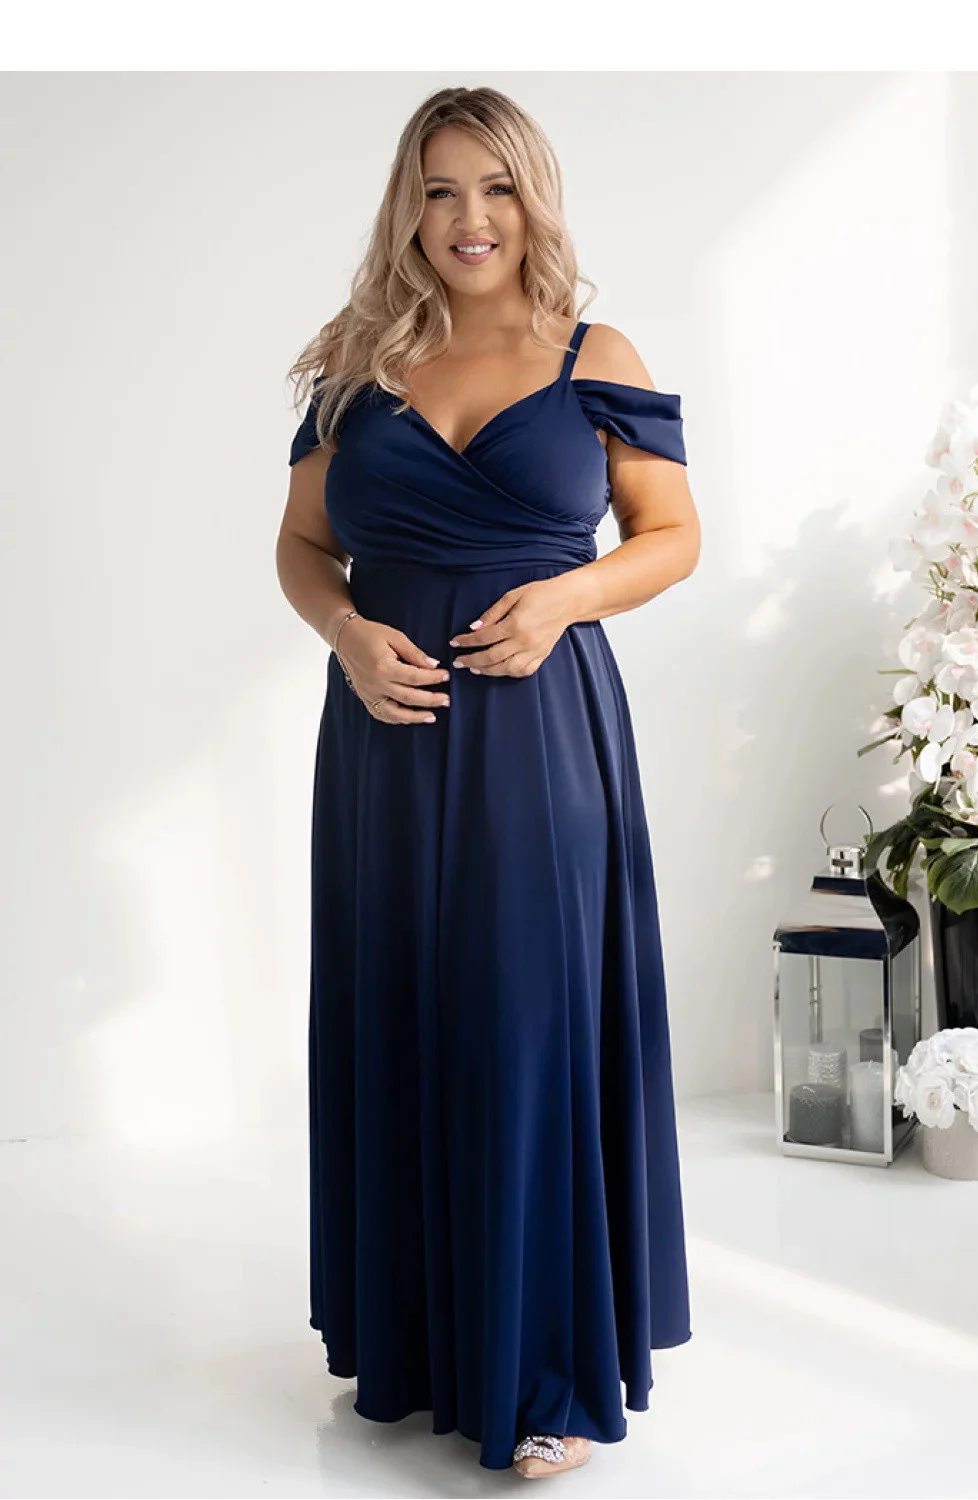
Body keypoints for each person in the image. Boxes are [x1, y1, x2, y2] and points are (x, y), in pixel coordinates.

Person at [275, 84, 701, 1479]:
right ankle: (415, 1343)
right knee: (400, 1007)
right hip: (385, 742)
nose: (470, 218)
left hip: (541, 734)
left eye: (497, 187)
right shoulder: (355, 364)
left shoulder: (593, 354)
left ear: (534, 199)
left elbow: (672, 534)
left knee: (528, 1020)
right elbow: (302, 547)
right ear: (409, 208)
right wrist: (345, 634)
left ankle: (547, 1372)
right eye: (442, 190)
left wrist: (565, 599)